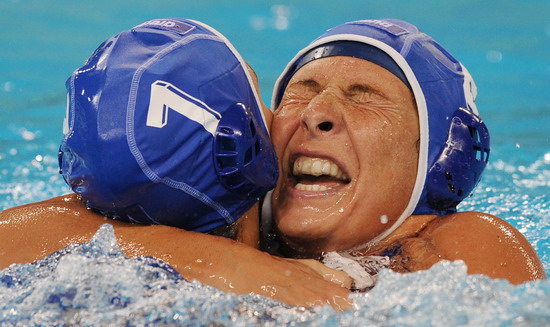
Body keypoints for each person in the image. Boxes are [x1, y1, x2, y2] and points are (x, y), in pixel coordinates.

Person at [0, 18, 352, 310]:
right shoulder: (310, 286)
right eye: (257, 100)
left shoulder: (53, 254)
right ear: (248, 155)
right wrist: (215, 260)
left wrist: (169, 248)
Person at [263, 18, 546, 285]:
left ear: (441, 155)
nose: (314, 113)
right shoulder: (238, 245)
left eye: (363, 97)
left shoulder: (464, 246)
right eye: (302, 92)